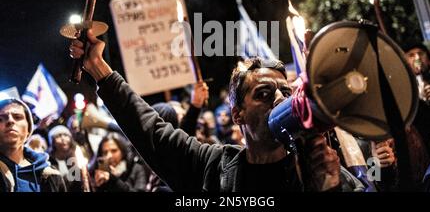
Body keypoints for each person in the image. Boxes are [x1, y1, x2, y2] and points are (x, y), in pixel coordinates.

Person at [69, 30, 364, 192]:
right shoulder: (212, 166)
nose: (278, 98)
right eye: (262, 94)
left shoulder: (323, 169)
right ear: (237, 114)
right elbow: (151, 131)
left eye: (286, 93)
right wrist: (98, 67)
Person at [0, 98, 66, 192]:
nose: (10, 121)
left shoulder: (51, 175)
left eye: (17, 117)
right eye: (0, 119)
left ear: (28, 129)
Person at [48, 125, 84, 192]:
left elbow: (79, 183)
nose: (63, 139)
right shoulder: (49, 162)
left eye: (65, 135)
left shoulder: (75, 157)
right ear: (53, 142)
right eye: (58, 136)